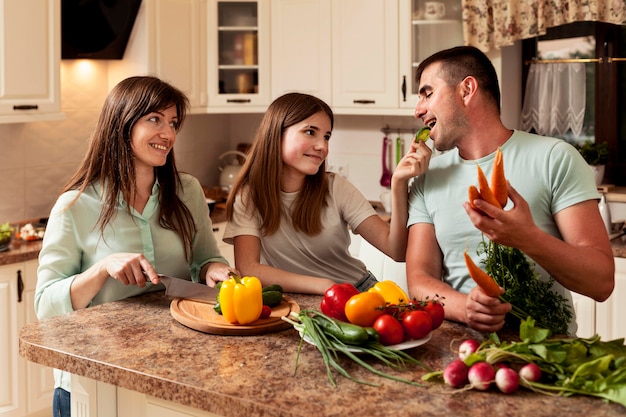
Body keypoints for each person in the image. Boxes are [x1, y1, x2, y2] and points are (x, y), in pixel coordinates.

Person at [35, 76, 236, 417]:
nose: (168, 134)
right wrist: (101, 269)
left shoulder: (188, 190)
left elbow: (205, 258)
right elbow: (45, 307)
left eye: (173, 123)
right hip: (93, 379)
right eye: (154, 119)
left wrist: (215, 269)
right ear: (122, 124)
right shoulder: (75, 206)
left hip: (172, 368)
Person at [405, 45, 615, 334]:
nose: (418, 109)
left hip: (550, 354)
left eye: (427, 93)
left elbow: (602, 282)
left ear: (467, 90)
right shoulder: (429, 177)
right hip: (461, 352)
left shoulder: (554, 157)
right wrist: (466, 307)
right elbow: (419, 278)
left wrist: (527, 238)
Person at [223, 92, 431, 294]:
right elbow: (249, 269)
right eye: (310, 132)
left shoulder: (335, 187)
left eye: (327, 136)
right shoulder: (248, 196)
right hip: (301, 299)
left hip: (358, 291)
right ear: (277, 134)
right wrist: (324, 286)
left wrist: (399, 184)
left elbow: (397, 251)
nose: (322, 146)